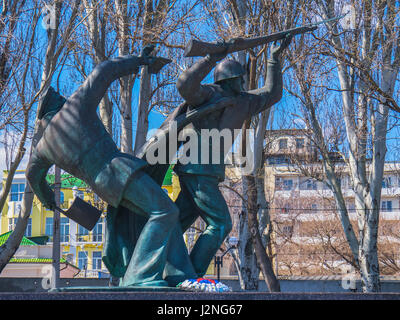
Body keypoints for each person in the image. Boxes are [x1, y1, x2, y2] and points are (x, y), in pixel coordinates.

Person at [25, 47, 196, 287]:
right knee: (165, 211)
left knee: (158, 212)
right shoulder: (73, 109)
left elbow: (32, 176)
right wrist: (140, 61)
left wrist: (46, 199)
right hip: (118, 170)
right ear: (57, 104)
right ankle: (141, 276)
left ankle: (181, 273)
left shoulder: (43, 147)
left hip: (103, 187)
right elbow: (103, 71)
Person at [170, 35, 293, 277]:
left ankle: (160, 263)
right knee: (221, 223)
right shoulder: (207, 94)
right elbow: (184, 84)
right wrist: (209, 58)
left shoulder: (244, 102)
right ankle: (188, 274)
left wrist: (274, 60)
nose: (245, 83)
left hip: (203, 173)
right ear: (231, 80)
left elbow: (272, 94)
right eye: (241, 79)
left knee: (174, 222)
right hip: (197, 170)